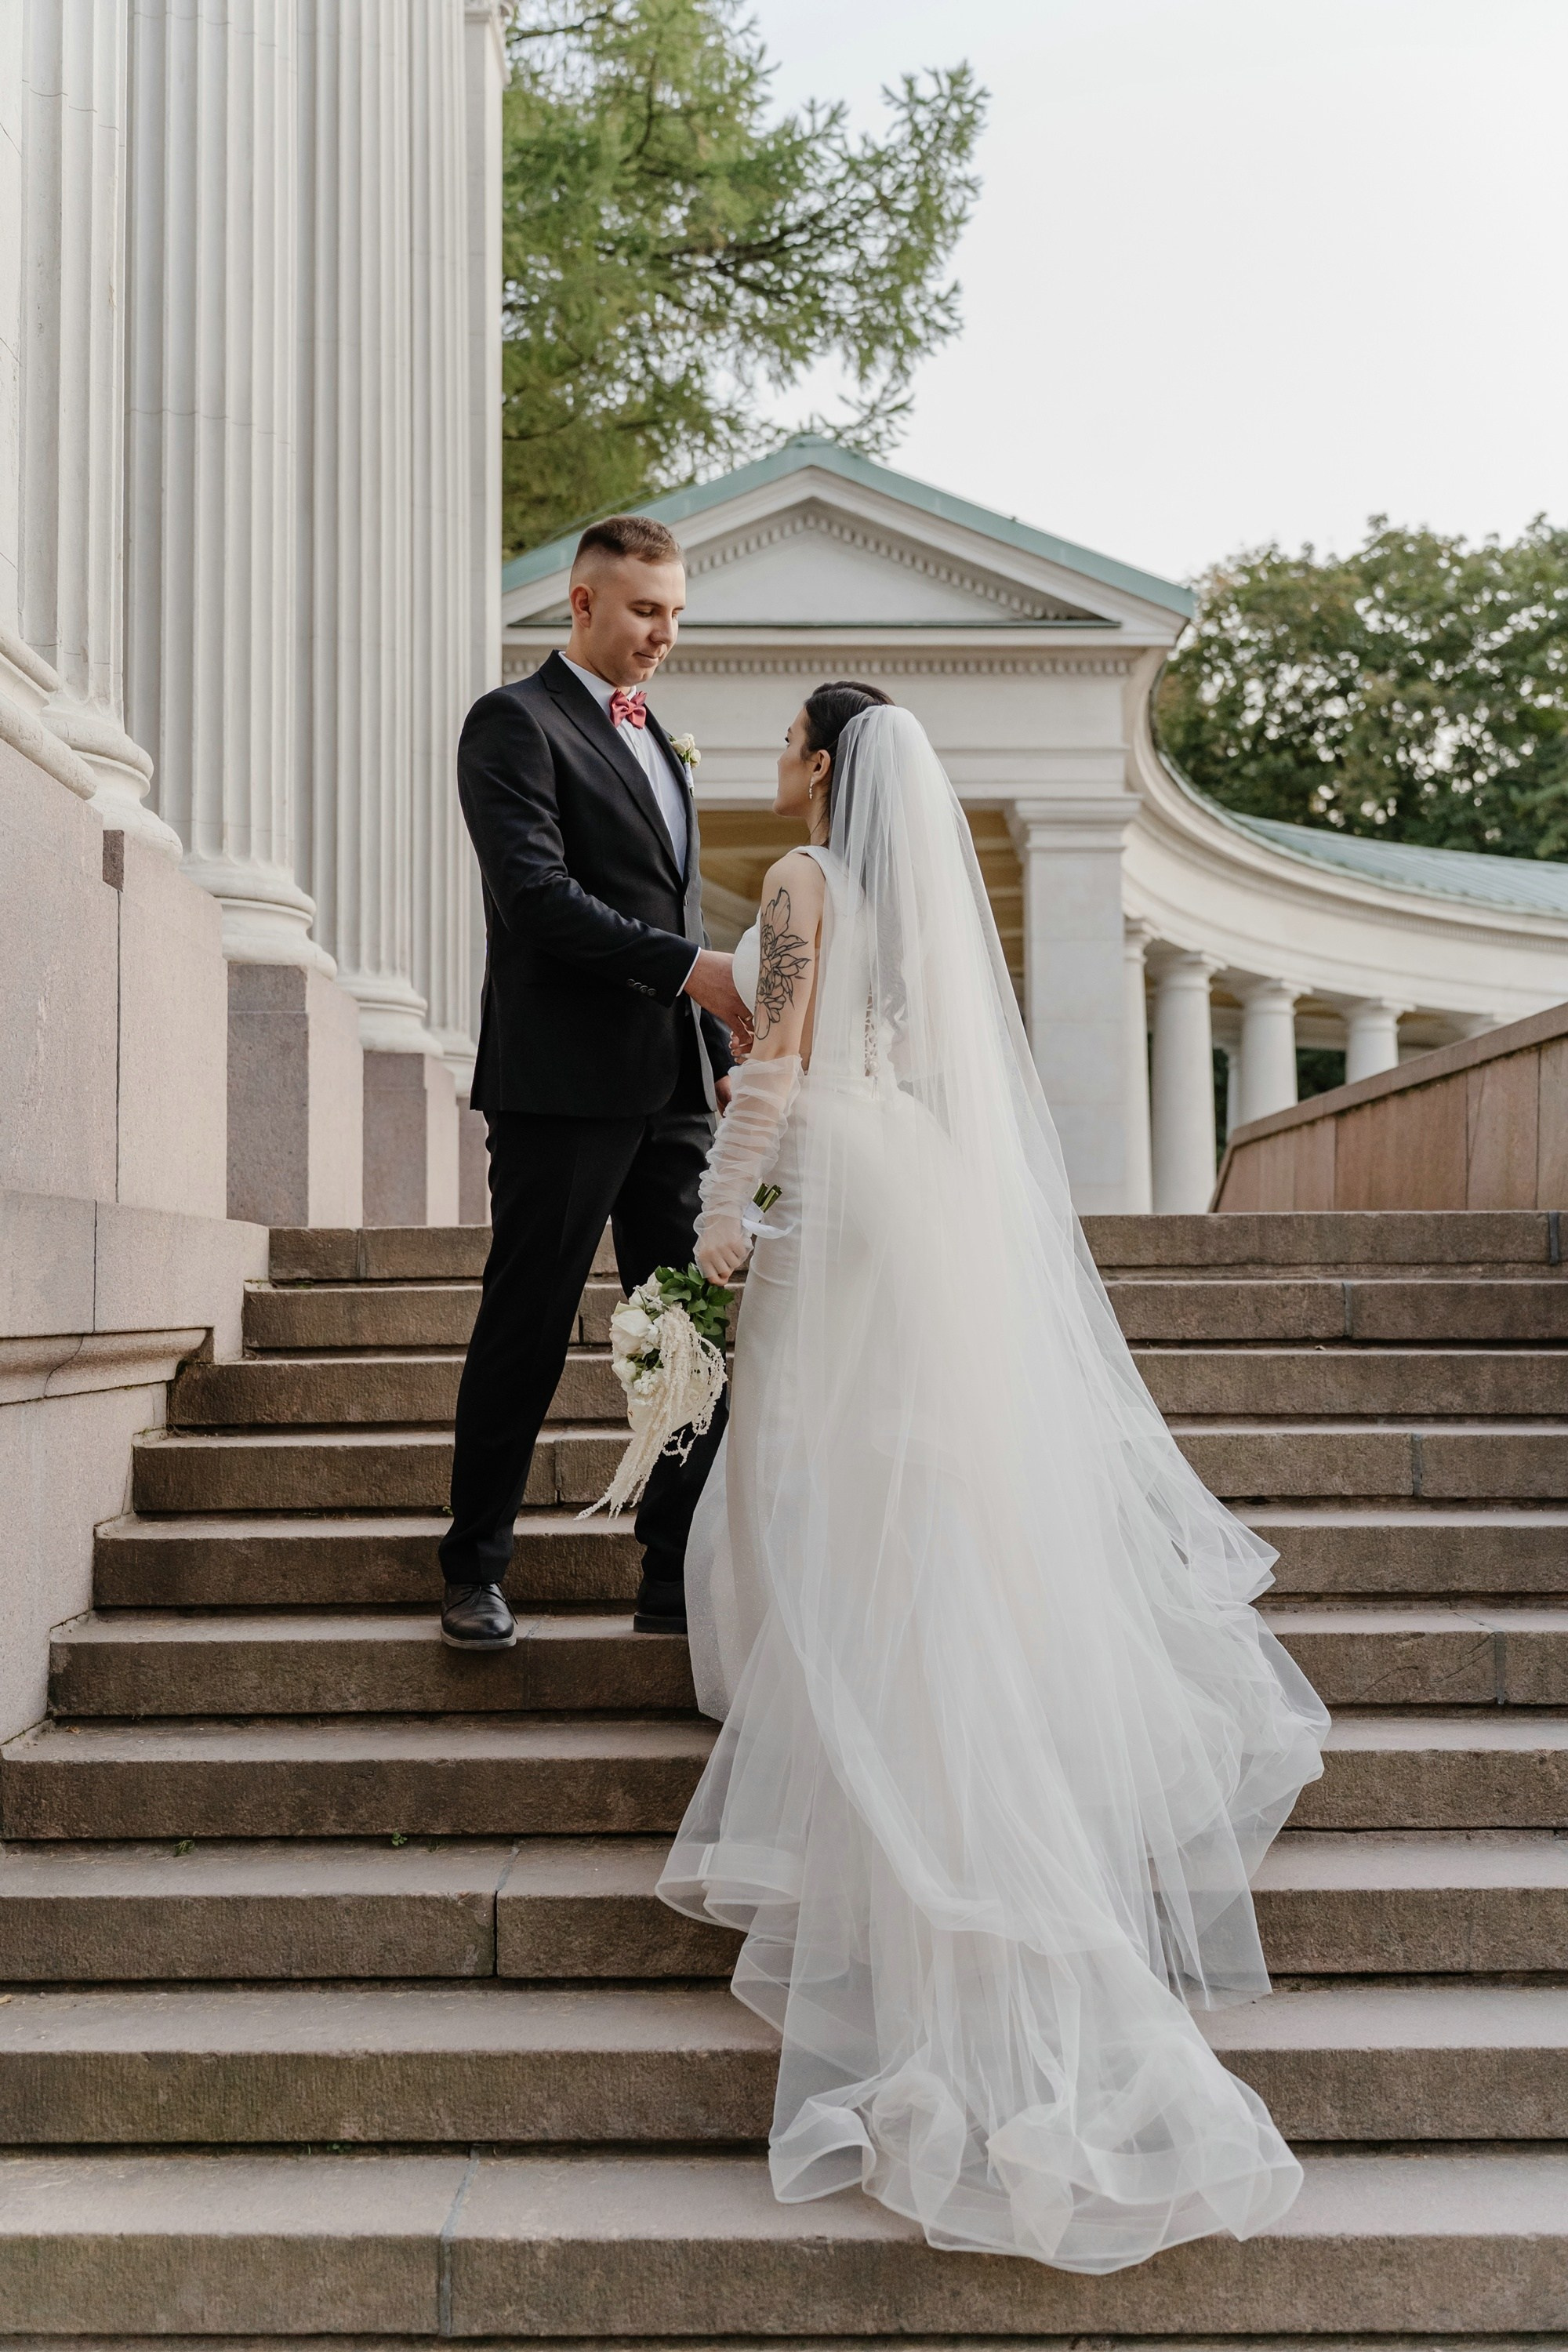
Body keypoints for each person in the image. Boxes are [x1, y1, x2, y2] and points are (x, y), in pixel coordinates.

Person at [657, 685, 1330, 2273]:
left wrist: (719, 1216)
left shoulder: (810, 884)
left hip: (830, 1180)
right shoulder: (896, 905)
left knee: (822, 1471)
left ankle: (855, 1737)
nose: (774, 762)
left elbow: (776, 1053)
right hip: (909, 1182)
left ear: (821, 764)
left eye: (787, 742)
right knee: (880, 1474)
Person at [441, 514, 750, 1649]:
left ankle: (669, 1574)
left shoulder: (662, 742)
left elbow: (675, 904)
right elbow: (533, 896)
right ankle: (473, 1568)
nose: (663, 634)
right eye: (644, 611)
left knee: (686, 1337)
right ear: (582, 603)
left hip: (671, 1089)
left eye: (674, 614)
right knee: (525, 1322)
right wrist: (694, 974)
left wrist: (715, 1058)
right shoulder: (511, 724)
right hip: (560, 1087)